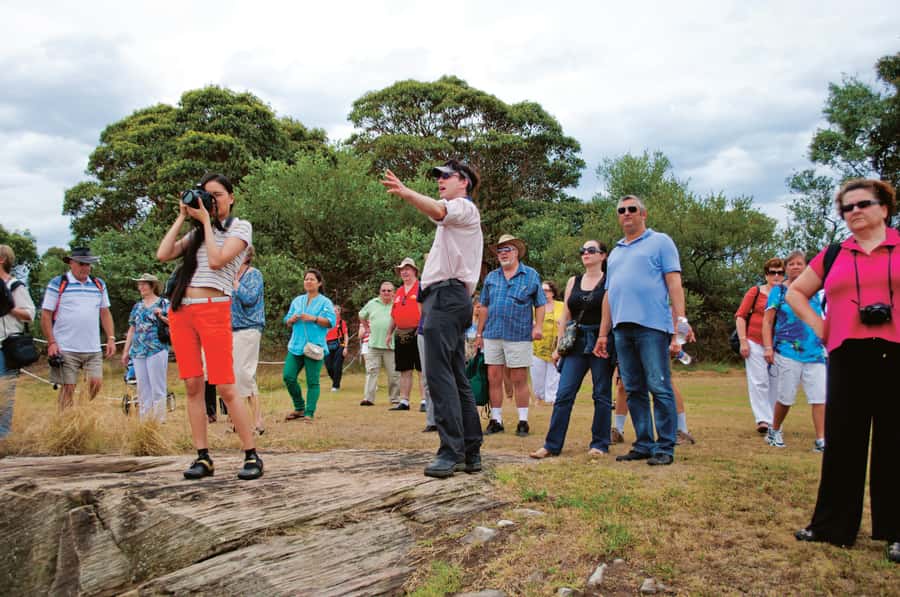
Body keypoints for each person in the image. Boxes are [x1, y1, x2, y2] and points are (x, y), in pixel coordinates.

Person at [787, 178, 899, 562]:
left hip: (895, 352)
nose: (854, 212)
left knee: (894, 442)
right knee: (843, 441)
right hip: (847, 353)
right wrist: (822, 328)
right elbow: (795, 292)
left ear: (884, 208)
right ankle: (832, 525)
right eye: (846, 208)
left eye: (862, 204)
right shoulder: (834, 253)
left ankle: (895, 531)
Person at [156, 172, 262, 480]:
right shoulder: (198, 233)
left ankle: (251, 453)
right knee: (192, 385)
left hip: (214, 309)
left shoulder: (240, 228)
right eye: (205, 195)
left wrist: (204, 221)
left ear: (231, 197)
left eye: (216, 195)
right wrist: (181, 216)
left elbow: (217, 262)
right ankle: (203, 456)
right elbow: (163, 254)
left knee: (226, 386)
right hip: (182, 312)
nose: (210, 201)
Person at [381, 159, 483, 479]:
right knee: (455, 376)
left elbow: (438, 209)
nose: (439, 180)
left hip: (448, 297)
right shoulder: (453, 219)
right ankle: (470, 450)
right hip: (447, 298)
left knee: (438, 376)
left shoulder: (463, 208)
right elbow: (438, 212)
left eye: (446, 176)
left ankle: (450, 451)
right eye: (437, 177)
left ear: (464, 182)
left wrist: (405, 192)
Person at [596, 195, 692, 466]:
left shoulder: (660, 241)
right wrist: (604, 334)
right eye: (621, 210)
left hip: (652, 326)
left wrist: (680, 322)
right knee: (633, 387)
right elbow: (609, 295)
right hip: (621, 329)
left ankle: (665, 446)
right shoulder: (615, 252)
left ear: (643, 214)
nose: (626, 214)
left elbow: (674, 283)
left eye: (631, 209)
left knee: (659, 386)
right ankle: (644, 443)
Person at [531, 240, 616, 458]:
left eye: (591, 250)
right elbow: (565, 315)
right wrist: (560, 347)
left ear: (603, 256)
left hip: (600, 341)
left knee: (601, 394)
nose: (586, 253)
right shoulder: (573, 281)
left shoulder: (610, 280)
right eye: (583, 251)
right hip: (576, 341)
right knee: (564, 394)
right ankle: (551, 445)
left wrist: (604, 337)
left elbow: (610, 313)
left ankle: (599, 444)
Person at [476, 234, 546, 437]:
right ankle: (496, 419)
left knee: (519, 377)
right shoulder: (491, 277)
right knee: (493, 377)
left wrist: (538, 326)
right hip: (493, 333)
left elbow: (540, 303)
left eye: (507, 249)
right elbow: (484, 307)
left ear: (517, 252)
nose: (503, 254)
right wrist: (479, 333)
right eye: (500, 251)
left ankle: (523, 420)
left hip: (518, 333)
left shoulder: (530, 275)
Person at [761, 250, 826, 451]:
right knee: (786, 395)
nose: (796, 267)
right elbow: (768, 320)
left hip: (815, 351)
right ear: (786, 268)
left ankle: (821, 439)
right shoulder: (779, 292)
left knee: (819, 396)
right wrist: (768, 346)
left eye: (800, 263)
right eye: (791, 264)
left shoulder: (817, 292)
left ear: (806, 267)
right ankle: (775, 429)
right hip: (787, 349)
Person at [40, 247, 116, 411]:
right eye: (82, 264)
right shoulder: (58, 283)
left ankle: (83, 411)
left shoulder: (98, 284)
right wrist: (51, 342)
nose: (86, 268)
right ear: (71, 263)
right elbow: (46, 315)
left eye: (89, 264)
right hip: (66, 346)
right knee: (68, 387)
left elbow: (105, 313)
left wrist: (111, 338)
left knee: (96, 383)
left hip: (92, 347)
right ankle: (64, 422)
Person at [735, 258, 785, 434]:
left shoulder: (788, 294)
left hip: (779, 344)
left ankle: (774, 419)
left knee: (776, 382)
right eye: (773, 272)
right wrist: (743, 341)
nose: (776, 276)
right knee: (759, 381)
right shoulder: (755, 292)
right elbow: (741, 316)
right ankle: (763, 419)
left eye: (780, 272)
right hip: (754, 341)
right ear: (766, 275)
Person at [282, 269, 336, 421]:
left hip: (315, 346)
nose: (308, 282)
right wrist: (290, 320)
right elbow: (286, 319)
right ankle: (299, 407)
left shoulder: (325, 302)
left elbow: (331, 322)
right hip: (296, 346)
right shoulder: (297, 300)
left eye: (312, 279)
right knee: (288, 376)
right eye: (306, 279)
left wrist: (314, 318)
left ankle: (309, 413)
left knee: (312, 381)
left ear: (319, 283)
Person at [121, 274, 169, 422]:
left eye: (144, 284)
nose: (140, 287)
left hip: (157, 347)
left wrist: (161, 316)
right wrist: (126, 351)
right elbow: (132, 328)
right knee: (142, 387)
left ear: (152, 285)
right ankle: (145, 420)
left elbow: (174, 322)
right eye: (139, 284)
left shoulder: (164, 303)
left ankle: (159, 420)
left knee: (157, 386)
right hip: (138, 350)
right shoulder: (137, 306)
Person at [0, 245, 36, 438]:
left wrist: (9, 308)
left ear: (2, 260)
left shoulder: (15, 286)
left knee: (4, 393)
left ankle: (3, 437)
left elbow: (30, 314)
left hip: (6, 346)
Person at [231, 246, 265, 434]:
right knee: (235, 375)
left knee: (245, 373)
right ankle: (239, 420)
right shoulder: (229, 276)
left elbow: (250, 298)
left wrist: (236, 285)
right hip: (231, 329)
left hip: (250, 327)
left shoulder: (254, 274)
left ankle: (257, 421)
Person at [386, 257, 423, 411]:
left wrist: (422, 329)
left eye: (407, 269)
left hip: (418, 332)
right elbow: (394, 315)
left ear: (414, 271)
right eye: (402, 270)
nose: (405, 272)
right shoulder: (399, 291)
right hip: (401, 333)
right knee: (404, 369)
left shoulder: (421, 287)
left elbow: (426, 310)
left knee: (422, 369)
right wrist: (389, 333)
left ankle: (425, 401)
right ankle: (404, 401)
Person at [358, 282, 399, 406]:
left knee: (394, 373)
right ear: (380, 292)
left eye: (389, 290)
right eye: (383, 290)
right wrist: (366, 327)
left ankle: (395, 399)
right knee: (371, 372)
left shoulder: (397, 304)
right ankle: (368, 398)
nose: (386, 293)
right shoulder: (372, 303)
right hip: (374, 344)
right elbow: (361, 315)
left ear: (393, 292)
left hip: (391, 345)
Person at [531, 280, 564, 405]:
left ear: (553, 292)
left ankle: (552, 399)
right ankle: (539, 397)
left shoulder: (562, 306)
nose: (544, 293)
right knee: (537, 376)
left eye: (547, 290)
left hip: (556, 346)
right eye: (542, 290)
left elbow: (569, 319)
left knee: (554, 375)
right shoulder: (536, 307)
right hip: (538, 347)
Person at [324, 305, 349, 392]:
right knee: (329, 366)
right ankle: (335, 380)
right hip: (327, 345)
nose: (334, 313)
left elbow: (346, 335)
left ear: (339, 312)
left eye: (336, 311)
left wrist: (345, 347)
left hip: (339, 345)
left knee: (337, 365)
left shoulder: (342, 322)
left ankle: (335, 386)